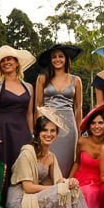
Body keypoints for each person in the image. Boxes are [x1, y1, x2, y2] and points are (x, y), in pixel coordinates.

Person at [6, 107, 87, 208]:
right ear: (37, 132)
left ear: (56, 134)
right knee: (59, 190)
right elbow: (28, 187)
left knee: (74, 190)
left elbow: (59, 180)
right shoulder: (27, 152)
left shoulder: (51, 157)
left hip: (35, 196)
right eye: (45, 130)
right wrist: (57, 187)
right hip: (19, 201)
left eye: (52, 131)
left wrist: (70, 182)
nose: (48, 134)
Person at [0, 45, 36, 175]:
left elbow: (29, 113)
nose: (6, 62)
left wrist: (32, 134)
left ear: (17, 63)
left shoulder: (29, 87)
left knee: (23, 164)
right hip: (2, 130)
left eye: (9, 59)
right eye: (3, 60)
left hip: (22, 131)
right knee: (2, 165)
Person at [35, 43, 83, 177]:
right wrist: (38, 128)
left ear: (66, 59)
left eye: (60, 56)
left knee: (67, 160)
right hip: (49, 124)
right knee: (46, 159)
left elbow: (78, 108)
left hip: (69, 126)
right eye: (54, 57)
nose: (57, 59)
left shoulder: (76, 80)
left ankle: (65, 191)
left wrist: (80, 132)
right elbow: (38, 106)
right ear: (50, 60)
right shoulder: (42, 79)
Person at [70, 102, 104, 208]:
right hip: (81, 178)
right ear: (89, 126)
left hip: (99, 180)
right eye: (93, 123)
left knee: (93, 191)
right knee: (83, 190)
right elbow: (76, 163)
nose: (96, 126)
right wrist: (68, 179)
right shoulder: (82, 141)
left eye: (100, 123)